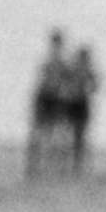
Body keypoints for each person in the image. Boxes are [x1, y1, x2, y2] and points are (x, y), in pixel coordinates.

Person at [24, 26, 74, 178]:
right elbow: (41, 82)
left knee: (57, 134)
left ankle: (56, 167)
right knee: (40, 133)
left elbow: (67, 82)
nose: (56, 44)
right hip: (46, 98)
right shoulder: (48, 60)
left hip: (56, 99)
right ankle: (35, 166)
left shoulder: (62, 62)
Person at [65, 43, 101, 174]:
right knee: (71, 134)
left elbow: (96, 86)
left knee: (80, 135)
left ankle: (77, 164)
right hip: (73, 104)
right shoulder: (73, 69)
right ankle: (71, 163)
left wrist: (87, 88)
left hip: (81, 104)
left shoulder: (87, 71)